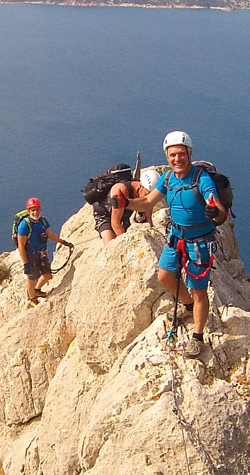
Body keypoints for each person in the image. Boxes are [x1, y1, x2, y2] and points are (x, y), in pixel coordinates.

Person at [122, 131, 229, 357]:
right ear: (167, 156)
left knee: (199, 290)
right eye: (172, 155)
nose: (177, 158)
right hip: (177, 238)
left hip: (199, 243)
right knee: (164, 276)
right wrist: (125, 203)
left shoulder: (202, 179)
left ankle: (198, 337)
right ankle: (189, 306)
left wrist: (214, 212)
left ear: (189, 154)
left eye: (181, 154)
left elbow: (219, 211)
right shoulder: (168, 178)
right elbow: (148, 201)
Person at [17, 197, 73, 303]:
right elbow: (21, 245)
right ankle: (33, 299)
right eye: (33, 210)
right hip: (30, 255)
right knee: (32, 278)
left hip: (41, 253)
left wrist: (64, 243)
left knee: (47, 275)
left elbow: (50, 234)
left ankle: (37, 290)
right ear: (29, 211)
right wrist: (25, 264)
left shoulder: (42, 221)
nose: (35, 212)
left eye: (37, 209)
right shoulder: (24, 225)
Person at [93, 169, 150, 243]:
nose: (147, 197)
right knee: (110, 244)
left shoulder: (144, 192)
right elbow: (115, 223)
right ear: (140, 186)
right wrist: (125, 243)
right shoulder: (121, 191)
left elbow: (148, 220)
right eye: (146, 194)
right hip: (104, 214)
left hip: (123, 215)